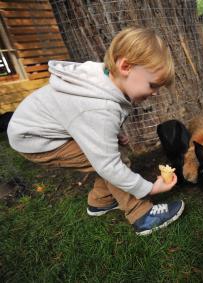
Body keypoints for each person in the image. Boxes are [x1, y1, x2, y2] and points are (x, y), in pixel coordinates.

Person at [7, 27, 184, 236]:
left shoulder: (103, 77)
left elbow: (84, 121)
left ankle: (100, 201)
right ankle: (141, 214)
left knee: (107, 153)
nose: (155, 93)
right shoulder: (98, 108)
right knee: (113, 160)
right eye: (153, 85)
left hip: (40, 127)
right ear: (125, 66)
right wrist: (150, 188)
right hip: (35, 140)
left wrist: (112, 136)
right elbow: (108, 163)